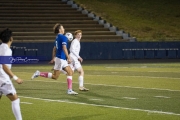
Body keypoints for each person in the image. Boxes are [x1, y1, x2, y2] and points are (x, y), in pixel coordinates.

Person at [31, 23, 78, 95]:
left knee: (70, 72)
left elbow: (54, 49)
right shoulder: (63, 37)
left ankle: (69, 90)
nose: (64, 29)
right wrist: (68, 57)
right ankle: (39, 73)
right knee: (55, 76)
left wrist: (53, 58)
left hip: (61, 59)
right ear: (60, 30)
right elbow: (64, 48)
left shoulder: (57, 38)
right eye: (63, 28)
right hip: (60, 59)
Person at [0, 28, 23, 120]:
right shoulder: (7, 50)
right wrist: (15, 77)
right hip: (2, 78)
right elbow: (4, 66)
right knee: (15, 100)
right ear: (11, 38)